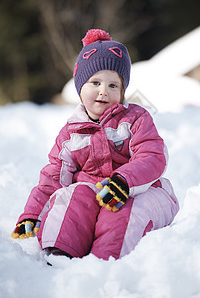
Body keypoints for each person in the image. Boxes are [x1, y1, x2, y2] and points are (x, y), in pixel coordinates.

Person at [11, 29, 179, 261]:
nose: (103, 91)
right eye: (95, 82)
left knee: (121, 210)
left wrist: (124, 181)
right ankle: (60, 253)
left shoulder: (136, 120)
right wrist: (32, 214)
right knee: (73, 197)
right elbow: (52, 177)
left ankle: (104, 262)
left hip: (140, 191)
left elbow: (152, 156)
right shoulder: (71, 134)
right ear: (80, 88)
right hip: (94, 195)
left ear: (122, 92)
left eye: (113, 85)